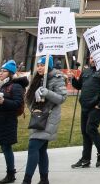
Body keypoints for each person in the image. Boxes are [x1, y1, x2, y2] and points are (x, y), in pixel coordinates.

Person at [23, 55, 67, 184]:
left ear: (49, 66)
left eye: (42, 65)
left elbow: (62, 98)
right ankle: (44, 179)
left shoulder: (57, 78)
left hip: (49, 117)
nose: (39, 67)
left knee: (33, 146)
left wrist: (47, 92)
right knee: (41, 150)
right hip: (37, 117)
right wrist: (33, 109)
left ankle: (27, 180)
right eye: (38, 65)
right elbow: (29, 98)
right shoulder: (37, 79)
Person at [70, 55, 100, 168]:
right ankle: (86, 159)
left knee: (90, 128)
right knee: (85, 132)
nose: (92, 60)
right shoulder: (86, 71)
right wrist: (73, 79)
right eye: (91, 58)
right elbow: (79, 86)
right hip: (85, 106)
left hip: (97, 106)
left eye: (95, 58)